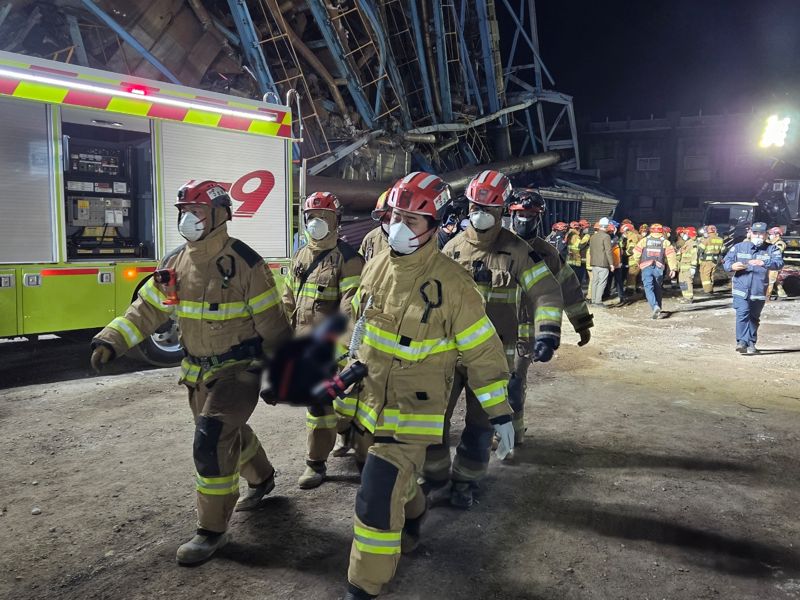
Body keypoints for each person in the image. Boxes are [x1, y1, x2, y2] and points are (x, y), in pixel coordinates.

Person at [89, 180, 292, 564]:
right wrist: (112, 340)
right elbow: (147, 309)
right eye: (184, 211)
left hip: (239, 372)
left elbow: (275, 327)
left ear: (218, 216)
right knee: (228, 433)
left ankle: (210, 531)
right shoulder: (174, 263)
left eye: (196, 212)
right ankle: (263, 478)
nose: (188, 219)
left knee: (211, 438)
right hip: (197, 374)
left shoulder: (247, 264)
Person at [342, 172, 514, 600]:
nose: (398, 227)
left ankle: (364, 587)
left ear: (434, 226)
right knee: (394, 484)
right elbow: (361, 328)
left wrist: (500, 412)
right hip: (369, 404)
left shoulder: (454, 286)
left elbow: (481, 350)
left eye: (412, 220)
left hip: (413, 411)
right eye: (395, 216)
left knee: (376, 496)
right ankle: (415, 513)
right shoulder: (379, 264)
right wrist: (346, 367)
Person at [423, 171, 563, 508]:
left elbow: (546, 292)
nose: (479, 213)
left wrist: (548, 332)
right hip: (449, 351)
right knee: (434, 415)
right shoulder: (453, 247)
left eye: (487, 206)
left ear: (502, 209)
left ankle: (465, 481)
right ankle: (433, 475)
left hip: (493, 354)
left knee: (480, 420)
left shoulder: (519, 251)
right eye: (474, 205)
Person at [283, 192, 364, 489]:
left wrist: (342, 352)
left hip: (331, 351)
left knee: (336, 405)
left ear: (336, 221)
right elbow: (288, 299)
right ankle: (317, 461)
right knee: (317, 408)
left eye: (323, 217)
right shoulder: (301, 256)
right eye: (311, 217)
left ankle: (338, 445)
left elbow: (350, 309)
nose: (315, 223)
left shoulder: (350, 260)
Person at [508, 193, 593, 443]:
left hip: (525, 334)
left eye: (531, 216)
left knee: (514, 386)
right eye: (521, 215)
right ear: (511, 214)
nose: (525, 220)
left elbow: (569, 288)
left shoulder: (548, 254)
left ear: (539, 218)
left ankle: (513, 434)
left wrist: (582, 324)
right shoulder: (496, 247)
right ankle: (487, 432)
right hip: (491, 331)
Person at [722, 222, 783, 354]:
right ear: (750, 233)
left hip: (759, 289)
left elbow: (779, 263)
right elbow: (726, 261)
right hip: (741, 289)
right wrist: (732, 266)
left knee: (754, 318)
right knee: (742, 313)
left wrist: (764, 262)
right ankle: (742, 341)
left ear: (766, 234)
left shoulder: (772, 249)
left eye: (761, 233)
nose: (758, 236)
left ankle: (751, 343)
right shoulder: (739, 247)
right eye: (755, 233)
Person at [631, 223, 677, 319]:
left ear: (650, 231)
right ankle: (659, 307)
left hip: (646, 267)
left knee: (648, 288)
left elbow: (636, 253)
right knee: (658, 288)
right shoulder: (665, 242)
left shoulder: (644, 241)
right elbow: (671, 256)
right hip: (659, 268)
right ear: (661, 231)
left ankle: (654, 306)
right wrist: (673, 268)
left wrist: (639, 263)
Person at [588, 218, 614, 307]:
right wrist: (611, 264)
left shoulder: (593, 236)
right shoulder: (606, 237)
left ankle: (593, 300)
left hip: (594, 262)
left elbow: (591, 250)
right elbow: (608, 251)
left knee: (595, 281)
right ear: (606, 226)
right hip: (603, 263)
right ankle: (598, 301)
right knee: (602, 282)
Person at [359, 190, 391, 262]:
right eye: (381, 216)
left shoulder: (415, 241)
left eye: (390, 217)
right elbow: (360, 267)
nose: (388, 223)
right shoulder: (370, 239)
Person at [698, 224, 724, 294]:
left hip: (706, 261)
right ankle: (710, 289)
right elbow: (723, 250)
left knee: (705, 275)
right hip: (715, 260)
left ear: (708, 231)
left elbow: (700, 249)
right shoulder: (720, 240)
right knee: (711, 275)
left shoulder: (707, 240)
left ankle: (708, 291)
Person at [677, 226, 699, 303]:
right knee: (682, 282)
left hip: (688, 267)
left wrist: (693, 267)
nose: (683, 235)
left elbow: (694, 256)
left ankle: (689, 297)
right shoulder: (687, 243)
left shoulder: (693, 244)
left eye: (685, 233)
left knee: (688, 282)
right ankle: (685, 296)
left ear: (689, 234)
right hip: (682, 267)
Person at [767, 227, 788, 300]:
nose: (770, 236)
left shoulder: (780, 243)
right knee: (775, 280)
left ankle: (767, 297)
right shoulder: (772, 243)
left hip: (776, 265)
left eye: (771, 234)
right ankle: (782, 294)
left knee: (770, 280)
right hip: (772, 265)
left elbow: (777, 252)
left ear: (777, 235)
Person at [620, 223, 641, 293]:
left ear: (627, 231)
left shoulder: (633, 237)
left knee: (631, 276)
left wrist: (623, 253)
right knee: (636, 276)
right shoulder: (634, 236)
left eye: (623, 233)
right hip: (637, 260)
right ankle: (638, 289)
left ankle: (630, 291)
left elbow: (631, 249)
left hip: (634, 260)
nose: (623, 234)